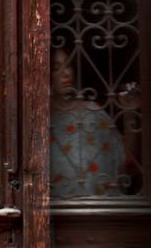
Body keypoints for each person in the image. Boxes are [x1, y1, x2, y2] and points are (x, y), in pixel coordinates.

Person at [49, 47, 140, 198]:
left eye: (69, 65)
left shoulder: (92, 112)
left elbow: (124, 158)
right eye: (56, 68)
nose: (66, 73)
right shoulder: (39, 122)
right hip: (56, 213)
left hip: (97, 210)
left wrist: (129, 113)